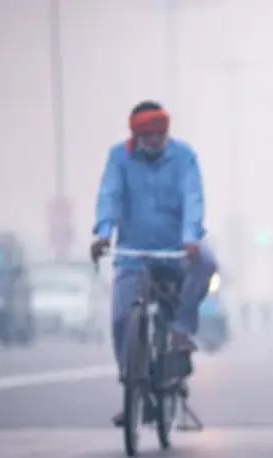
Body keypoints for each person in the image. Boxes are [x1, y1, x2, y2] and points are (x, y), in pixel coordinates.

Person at [91, 100, 217, 427]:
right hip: (132, 253)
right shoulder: (119, 158)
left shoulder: (183, 156)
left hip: (176, 250)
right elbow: (110, 195)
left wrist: (190, 236)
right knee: (121, 319)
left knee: (207, 263)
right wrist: (103, 233)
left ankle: (181, 329)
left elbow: (193, 197)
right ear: (136, 135)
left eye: (161, 135)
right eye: (149, 136)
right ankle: (133, 389)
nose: (156, 141)